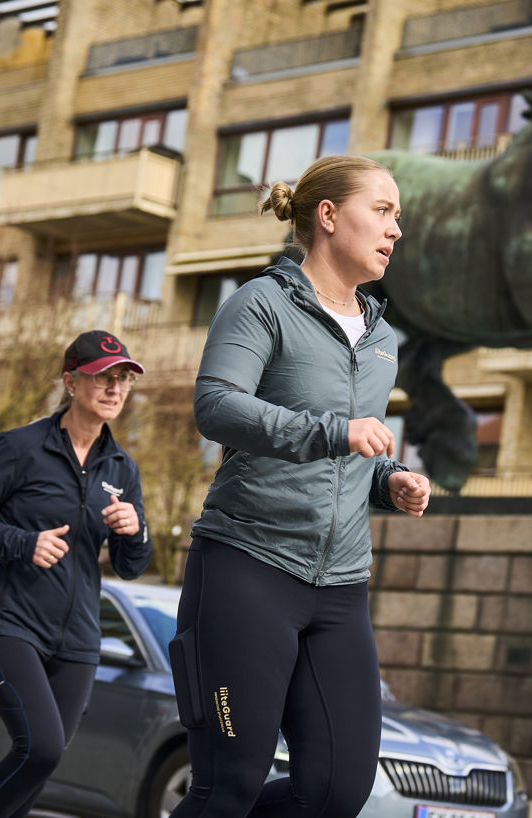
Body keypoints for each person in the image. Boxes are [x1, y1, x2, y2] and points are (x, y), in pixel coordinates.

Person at [169, 154, 432, 818]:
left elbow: (349, 455)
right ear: (327, 216)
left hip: (340, 587)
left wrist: (389, 480)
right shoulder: (260, 304)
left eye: (396, 216)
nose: (394, 229)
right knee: (226, 784)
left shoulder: (380, 338)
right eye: (382, 211)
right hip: (246, 567)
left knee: (336, 790)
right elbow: (217, 407)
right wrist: (334, 430)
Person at [0, 329, 152, 818]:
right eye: (103, 378)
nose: (114, 389)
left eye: (123, 380)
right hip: (10, 625)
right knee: (40, 748)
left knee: (40, 760)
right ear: (71, 382)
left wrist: (135, 531)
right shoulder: (20, 448)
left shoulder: (122, 468)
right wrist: (21, 542)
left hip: (77, 641)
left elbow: (130, 566)